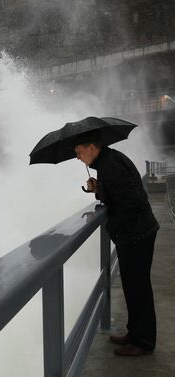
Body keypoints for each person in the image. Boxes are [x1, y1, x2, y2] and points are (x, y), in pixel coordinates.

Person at [74, 130, 159, 356]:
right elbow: (118, 193)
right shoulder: (109, 161)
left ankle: (143, 342)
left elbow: (133, 200)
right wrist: (98, 189)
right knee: (134, 287)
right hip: (138, 232)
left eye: (79, 151)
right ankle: (134, 333)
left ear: (92, 148)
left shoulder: (110, 166)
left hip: (136, 235)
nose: (78, 157)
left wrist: (114, 223)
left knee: (138, 288)